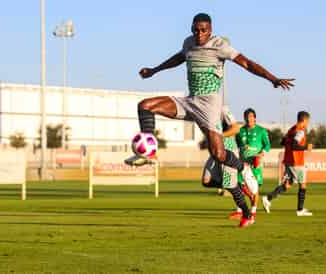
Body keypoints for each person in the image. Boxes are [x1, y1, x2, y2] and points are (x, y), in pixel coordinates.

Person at [125, 13, 295, 198]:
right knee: (145, 105)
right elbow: (179, 57)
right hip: (190, 101)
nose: (199, 34)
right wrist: (154, 70)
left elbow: (246, 63)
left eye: (203, 30)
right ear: (191, 29)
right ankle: (148, 153)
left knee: (219, 154)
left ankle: (243, 168)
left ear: (210, 30)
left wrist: (272, 79)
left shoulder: (219, 45)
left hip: (210, 106)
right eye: (196, 30)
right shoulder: (188, 43)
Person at [202, 106, 253, 227]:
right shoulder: (205, 111)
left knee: (230, 185)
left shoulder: (223, 110)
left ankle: (247, 215)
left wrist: (219, 137)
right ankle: (239, 186)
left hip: (227, 150)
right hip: (215, 151)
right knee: (206, 181)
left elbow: (235, 129)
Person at [262, 111, 313, 216]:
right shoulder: (300, 131)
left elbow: (283, 142)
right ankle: (300, 210)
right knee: (303, 185)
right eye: (307, 121)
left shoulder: (291, 129)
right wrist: (306, 147)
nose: (307, 124)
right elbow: (294, 145)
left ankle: (268, 198)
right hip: (296, 162)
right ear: (304, 120)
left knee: (288, 184)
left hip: (288, 161)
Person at [230, 108, 270, 222]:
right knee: (238, 186)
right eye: (247, 117)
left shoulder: (262, 131)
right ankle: (239, 211)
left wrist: (261, 154)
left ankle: (253, 212)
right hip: (242, 164)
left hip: (255, 164)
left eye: (251, 117)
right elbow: (236, 145)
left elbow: (267, 146)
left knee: (255, 189)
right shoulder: (240, 131)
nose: (249, 119)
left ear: (255, 118)